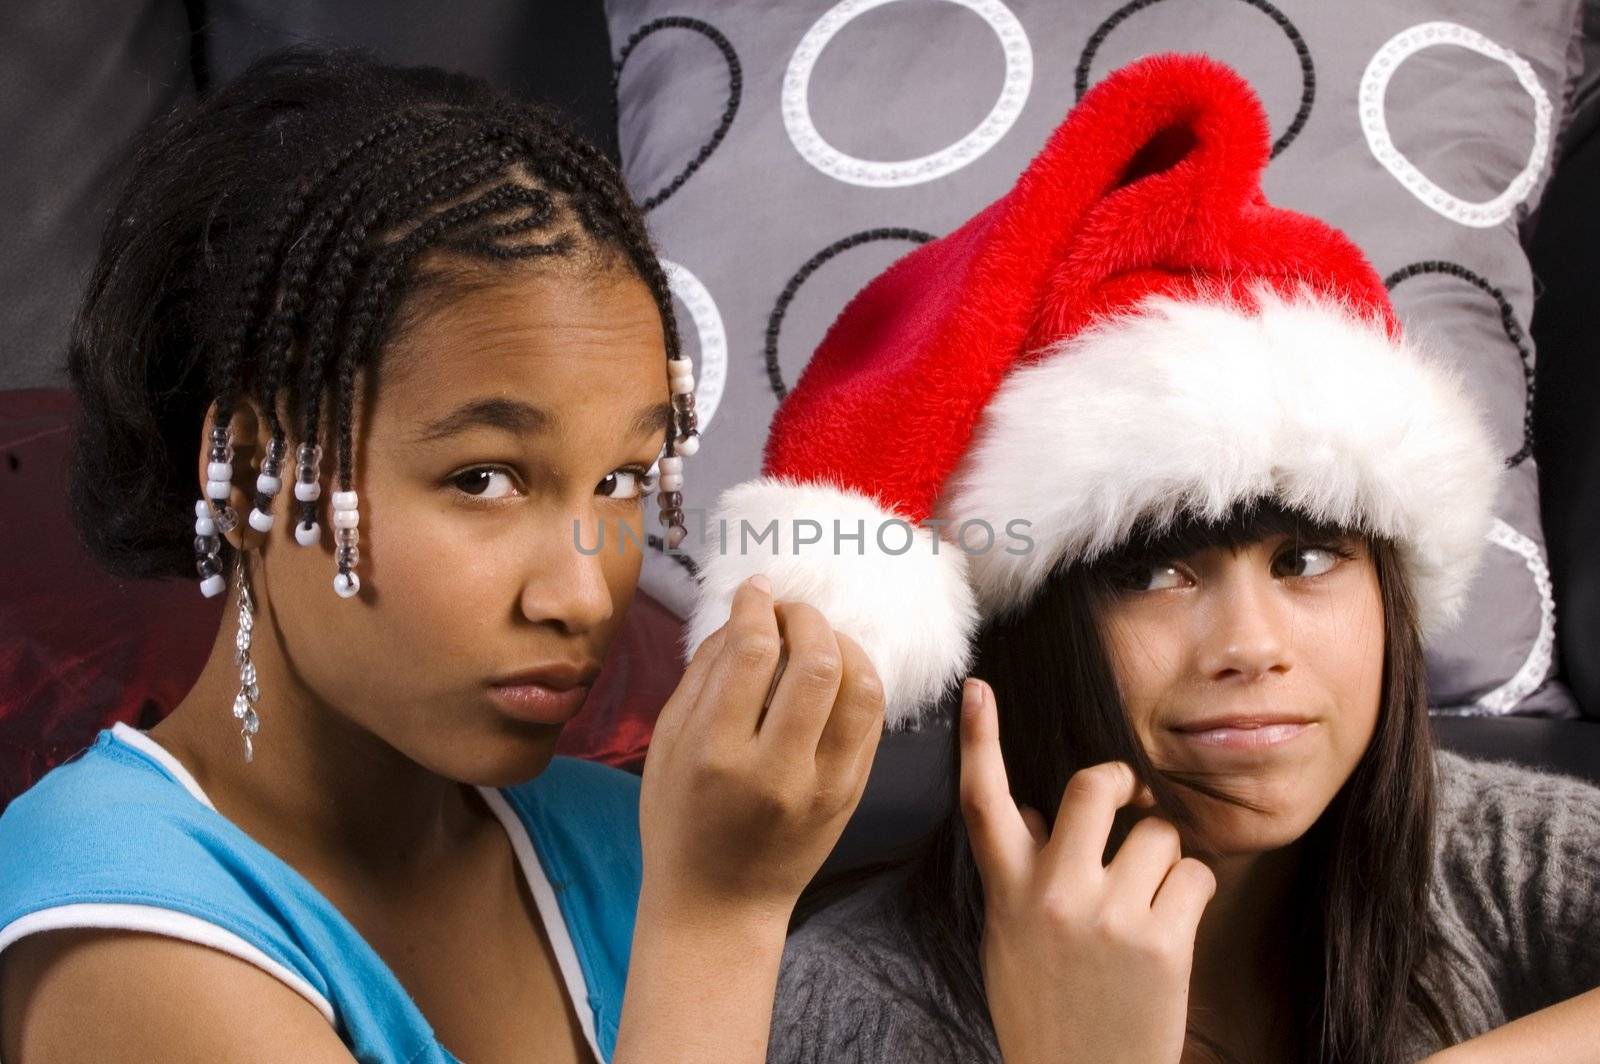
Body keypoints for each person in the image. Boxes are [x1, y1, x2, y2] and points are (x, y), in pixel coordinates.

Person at [677, 54, 1600, 1063]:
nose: (1250, 646)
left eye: (1304, 559)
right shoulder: (855, 1003)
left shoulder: (1479, 852)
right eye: (1151, 572)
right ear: (1018, 627)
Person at [0, 49, 885, 1064]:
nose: (582, 591)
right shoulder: (127, 924)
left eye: (622, 479)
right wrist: (718, 921)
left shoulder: (638, 835)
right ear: (252, 470)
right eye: (483, 478)